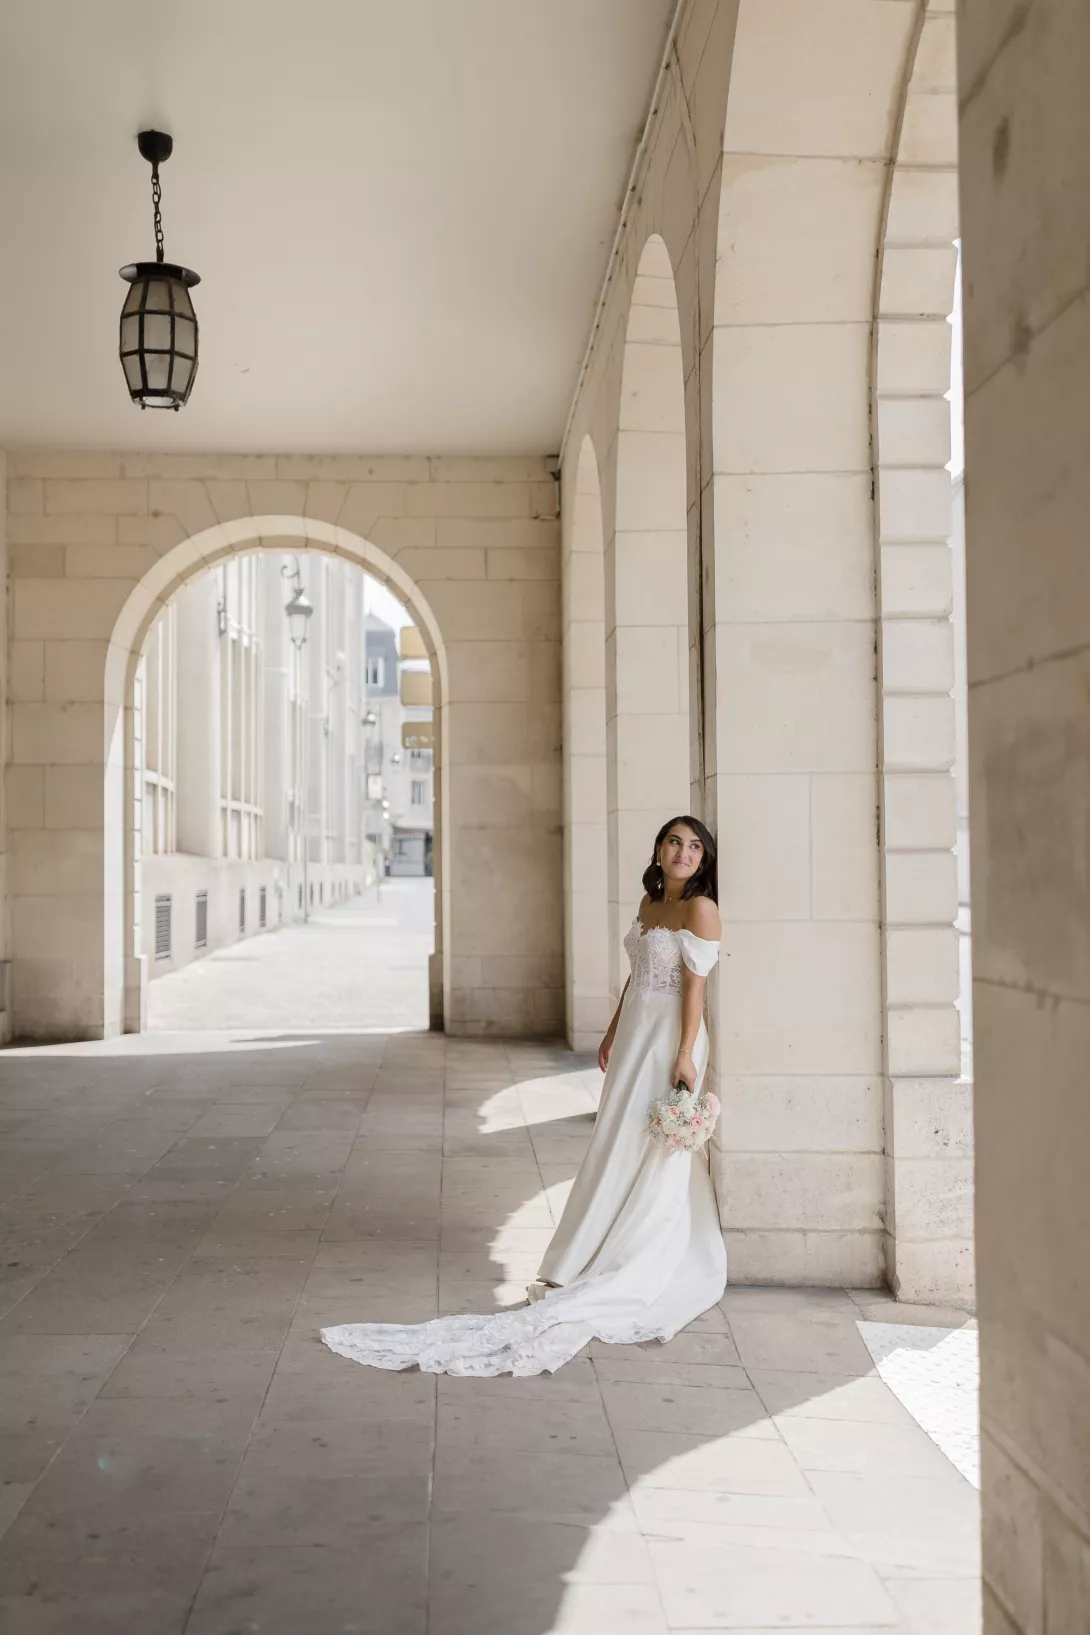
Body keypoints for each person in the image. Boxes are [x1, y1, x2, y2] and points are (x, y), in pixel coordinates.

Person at [321, 814, 725, 1377]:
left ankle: (629, 1255)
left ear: (704, 860)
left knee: (649, 1146)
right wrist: (612, 1030)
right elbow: (637, 977)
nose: (683, 853)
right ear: (658, 850)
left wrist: (684, 1054)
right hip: (636, 1033)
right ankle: (582, 1253)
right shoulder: (649, 901)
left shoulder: (699, 910)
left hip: (668, 1041)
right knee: (615, 1140)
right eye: (674, 843)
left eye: (694, 847)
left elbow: (696, 990)